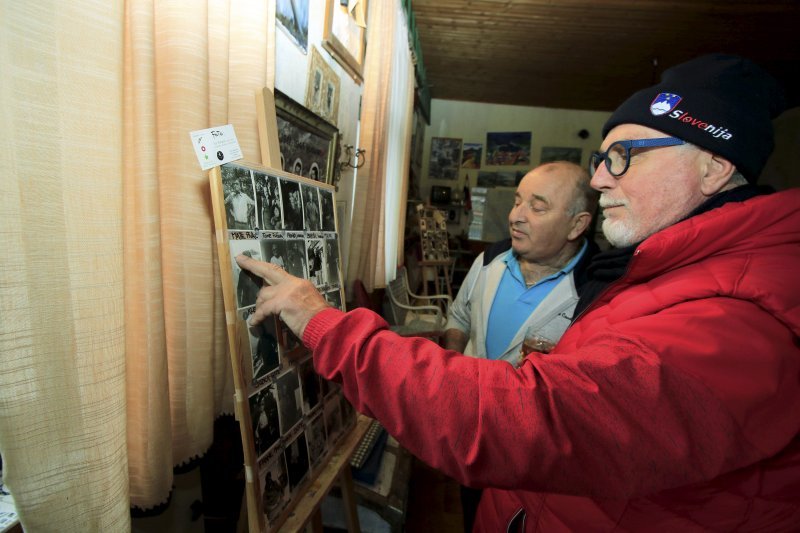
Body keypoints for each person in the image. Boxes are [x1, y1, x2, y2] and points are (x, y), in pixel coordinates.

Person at [236, 54, 799, 531]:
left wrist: (323, 321)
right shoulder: (666, 275)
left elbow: (530, 418)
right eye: (603, 159)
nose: (602, 177)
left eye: (624, 156)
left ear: (713, 168)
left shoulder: (738, 319)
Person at [443, 161, 597, 531]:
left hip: (532, 456)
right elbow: (459, 318)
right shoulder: (490, 259)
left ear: (577, 224)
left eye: (537, 206)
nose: (516, 216)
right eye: (517, 201)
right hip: (471, 433)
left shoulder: (597, 292)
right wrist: (450, 367)